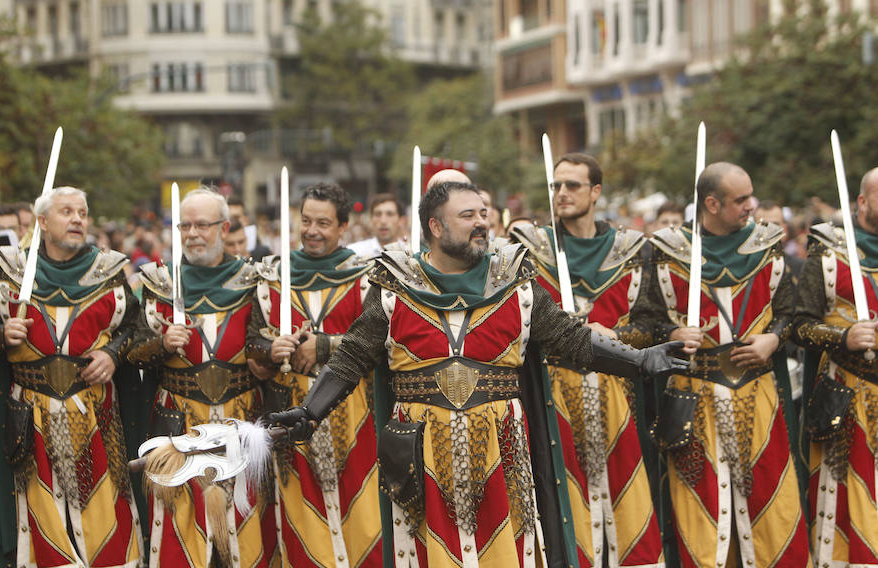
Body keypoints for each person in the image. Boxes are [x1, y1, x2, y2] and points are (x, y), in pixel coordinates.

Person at [268, 181, 687, 567]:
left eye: (483, 213)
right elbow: (353, 356)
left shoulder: (514, 282)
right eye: (467, 215)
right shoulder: (394, 285)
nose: (481, 222)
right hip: (419, 458)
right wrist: (309, 413)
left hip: (501, 454)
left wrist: (640, 360)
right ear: (434, 226)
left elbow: (570, 338)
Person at [640, 163, 810, 566]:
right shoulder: (666, 249)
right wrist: (673, 334)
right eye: (740, 200)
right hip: (693, 400)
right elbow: (644, 320)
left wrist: (774, 337)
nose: (751, 206)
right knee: (701, 517)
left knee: (772, 505)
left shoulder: (768, 243)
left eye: (751, 196)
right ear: (711, 204)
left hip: (759, 397)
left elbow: (795, 313)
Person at [511, 152, 663, 567]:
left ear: (596, 191)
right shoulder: (529, 247)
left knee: (625, 495)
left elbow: (651, 322)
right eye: (556, 186)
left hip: (616, 396)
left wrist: (617, 336)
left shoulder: (631, 249)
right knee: (563, 498)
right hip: (553, 393)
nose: (562, 194)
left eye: (572, 185)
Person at [0, 186, 143, 568]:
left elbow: (136, 329)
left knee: (104, 516)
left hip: (94, 415)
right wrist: (1, 335)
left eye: (82, 213)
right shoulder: (12, 271)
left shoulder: (107, 272)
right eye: (66, 212)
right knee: (41, 522)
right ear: (42, 222)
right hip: (29, 418)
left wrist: (112, 354)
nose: (77, 219)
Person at [126, 188, 276, 568]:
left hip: (239, 420)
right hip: (179, 422)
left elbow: (261, 344)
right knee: (180, 533)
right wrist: (162, 343)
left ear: (224, 228)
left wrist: (268, 355)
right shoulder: (160, 283)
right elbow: (133, 351)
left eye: (202, 225)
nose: (192, 233)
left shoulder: (253, 282)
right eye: (185, 225)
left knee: (246, 529)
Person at [247, 183, 381, 566]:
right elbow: (251, 343)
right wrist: (270, 350)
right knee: (300, 520)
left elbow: (381, 341)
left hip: (355, 416)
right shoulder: (272, 275)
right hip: (292, 416)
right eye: (306, 221)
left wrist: (322, 347)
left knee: (365, 518)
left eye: (323, 223)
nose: (312, 230)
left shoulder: (367, 276)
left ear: (343, 227)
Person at [793, 166, 878, 567]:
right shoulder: (829, 249)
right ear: (861, 202)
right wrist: (842, 337)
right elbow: (797, 324)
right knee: (842, 507)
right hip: (846, 395)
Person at [348, 193, 405, 258]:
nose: (383, 221)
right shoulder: (355, 253)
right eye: (378, 214)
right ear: (371, 219)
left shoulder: (410, 254)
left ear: (401, 220)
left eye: (390, 214)